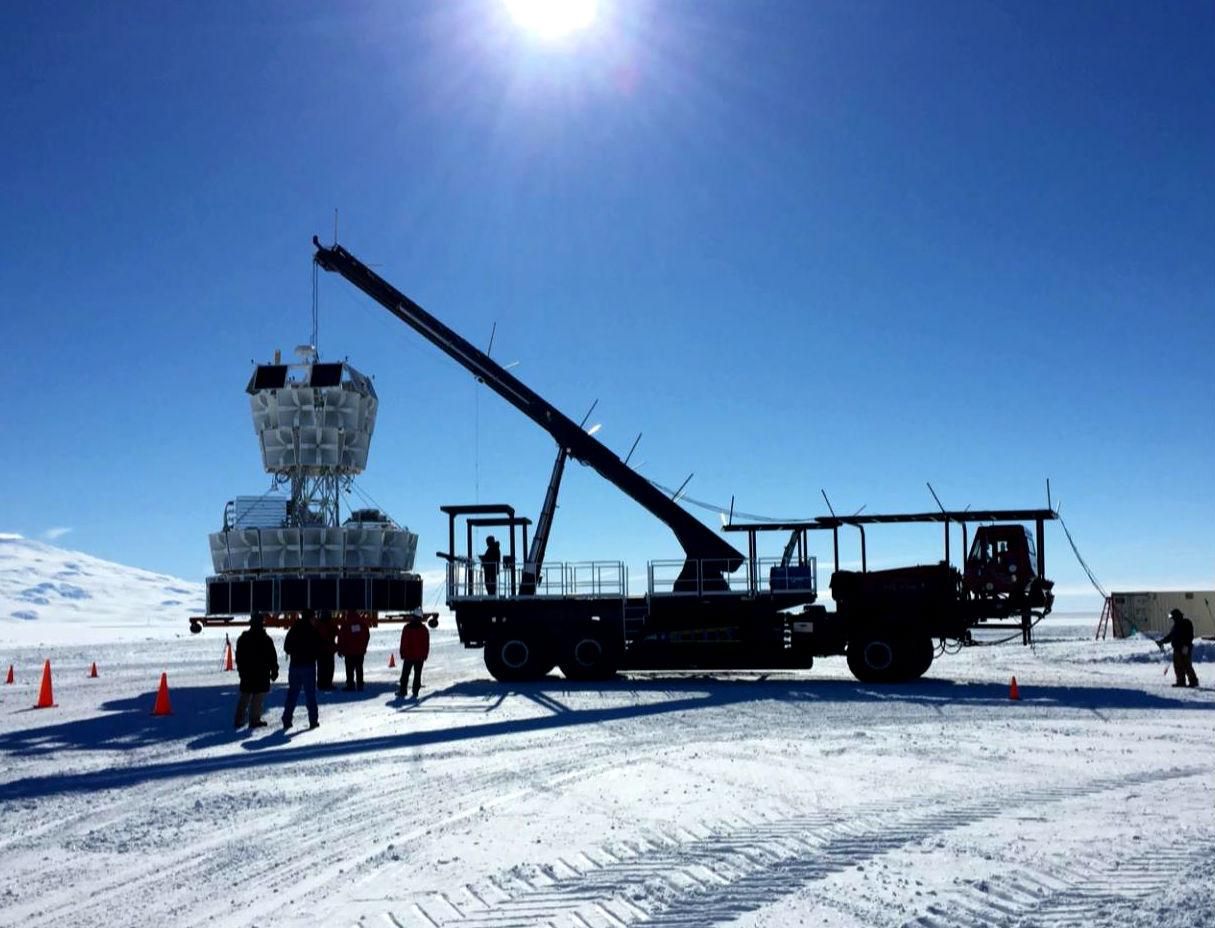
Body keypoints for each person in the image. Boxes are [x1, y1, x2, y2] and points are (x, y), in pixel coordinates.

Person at [234, 612, 278, 730]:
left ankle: (239, 719)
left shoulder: (243, 638)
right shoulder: (266, 639)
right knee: (257, 698)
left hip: (247, 673)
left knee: (245, 696)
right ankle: (254, 720)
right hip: (261, 673)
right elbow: (272, 657)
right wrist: (274, 670)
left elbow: (239, 657)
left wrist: (241, 670)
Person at [282, 610, 323, 730]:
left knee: (292, 694)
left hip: (294, 666)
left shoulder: (294, 629)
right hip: (308, 666)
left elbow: (286, 647)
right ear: (310, 618)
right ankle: (313, 721)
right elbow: (319, 647)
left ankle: (287, 719)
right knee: (310, 695)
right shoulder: (313, 631)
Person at [1158, 608, 1199, 688]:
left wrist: (1186, 645)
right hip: (1177, 649)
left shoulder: (1186, 623)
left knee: (1187, 665)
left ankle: (1193, 681)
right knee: (1178, 666)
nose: (1173, 619)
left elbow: (1190, 635)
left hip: (1185, 648)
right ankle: (1180, 681)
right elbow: (1170, 636)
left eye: (1173, 617)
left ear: (1177, 616)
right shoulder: (1175, 626)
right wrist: (1162, 641)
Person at [398, 612, 430, 699]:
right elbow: (426, 644)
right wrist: (425, 655)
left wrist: (402, 653)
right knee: (417, 675)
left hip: (408, 656)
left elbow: (403, 642)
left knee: (405, 674)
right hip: (419, 657)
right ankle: (415, 692)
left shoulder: (407, 628)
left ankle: (403, 691)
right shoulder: (423, 629)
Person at [337, 610, 371, 692]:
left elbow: (341, 638)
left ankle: (350, 685)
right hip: (360, 651)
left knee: (349, 669)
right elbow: (367, 635)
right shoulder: (362, 623)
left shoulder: (346, 624)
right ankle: (360, 684)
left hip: (349, 652)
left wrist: (340, 649)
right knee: (359, 668)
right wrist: (364, 647)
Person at [316, 612, 338, 691]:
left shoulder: (318, 624)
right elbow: (338, 632)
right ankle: (328, 683)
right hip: (329, 649)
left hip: (320, 649)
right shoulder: (332, 624)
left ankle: (320, 683)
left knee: (321, 667)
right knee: (329, 667)